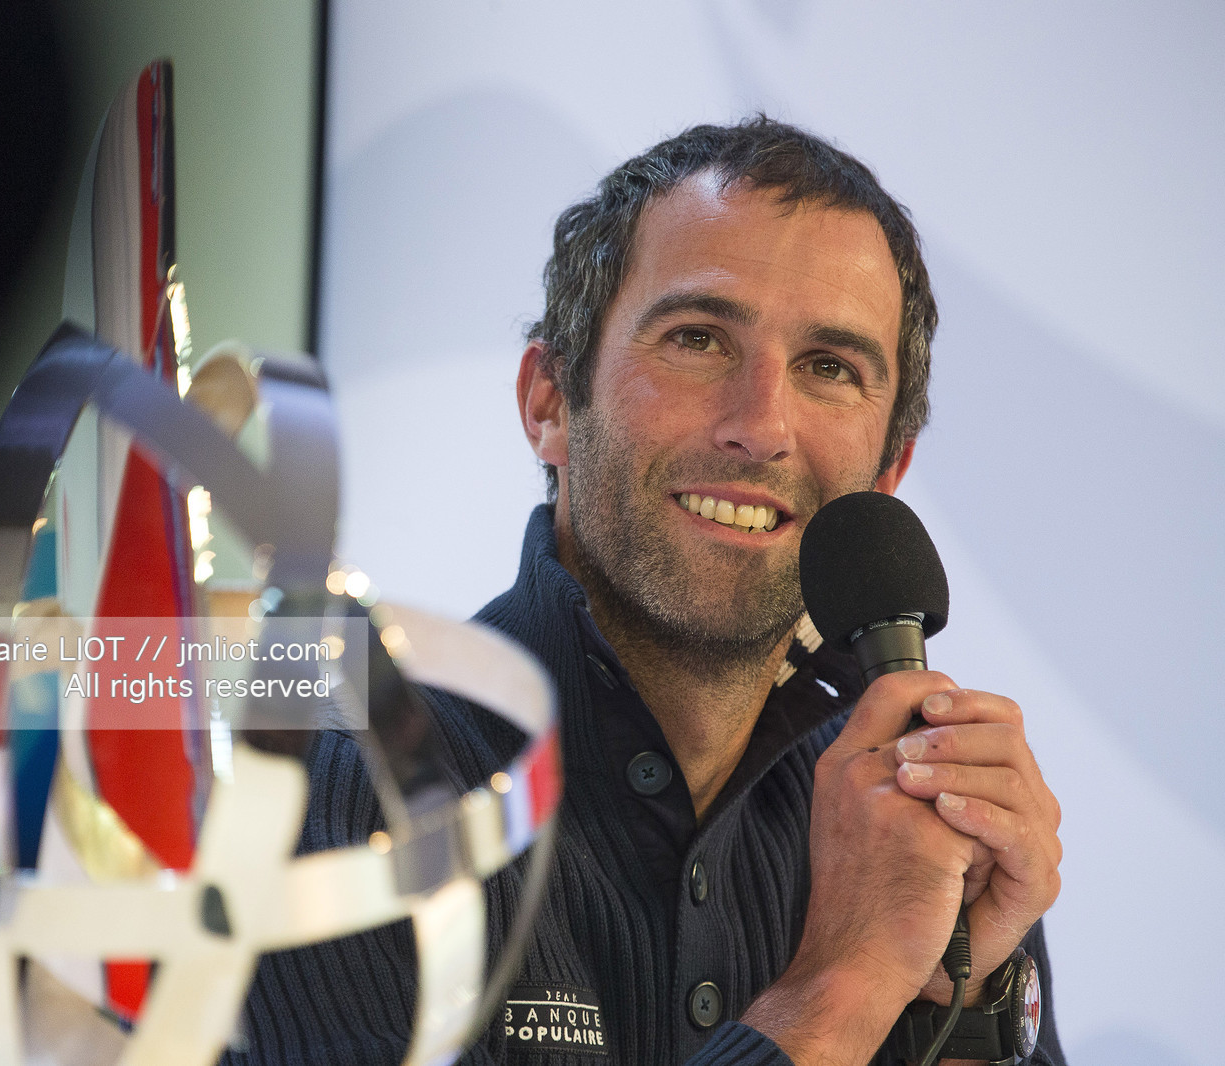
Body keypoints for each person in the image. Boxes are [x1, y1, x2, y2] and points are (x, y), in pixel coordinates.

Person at [230, 117, 1065, 1066]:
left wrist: (957, 1004)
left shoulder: (913, 818)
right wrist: (844, 985)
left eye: (829, 368)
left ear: (890, 466)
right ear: (549, 401)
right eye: (699, 339)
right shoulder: (337, 777)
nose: (762, 425)